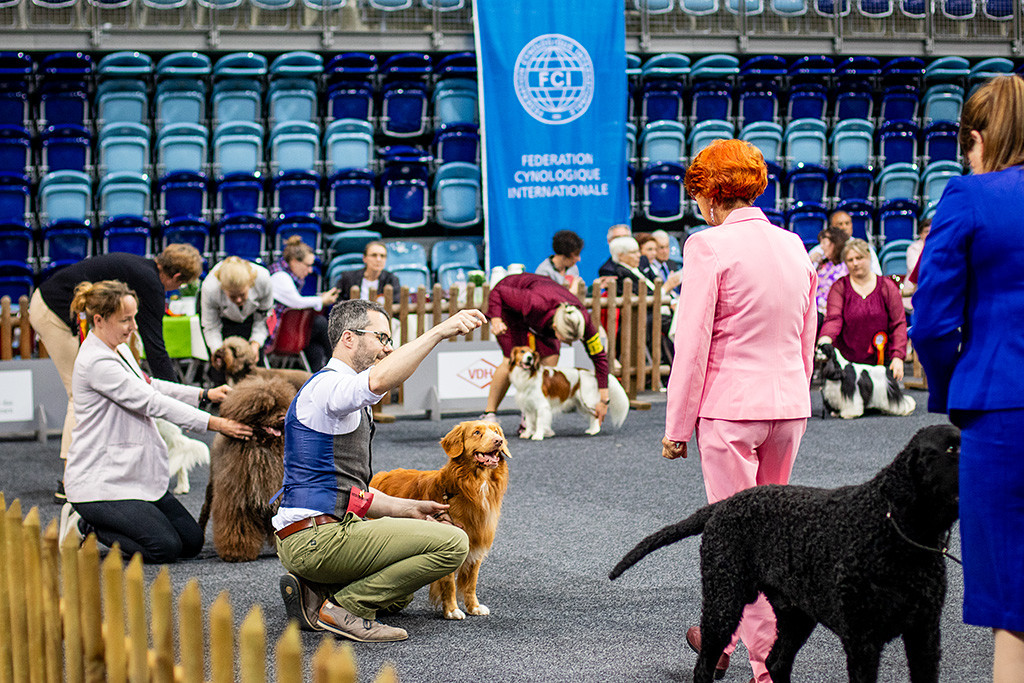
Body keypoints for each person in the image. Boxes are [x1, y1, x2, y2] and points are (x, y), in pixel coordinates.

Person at [662, 139, 816, 683]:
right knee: (769, 535)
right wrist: (796, 395)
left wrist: (677, 425)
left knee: (739, 542)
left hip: (731, 411)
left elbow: (692, 342)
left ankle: (766, 665)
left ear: (710, 194)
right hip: (788, 407)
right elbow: (807, 334)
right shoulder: (794, 244)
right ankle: (721, 639)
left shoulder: (707, 245)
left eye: (698, 194)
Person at [274, 300, 487, 642]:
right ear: (348, 338)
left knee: (399, 597)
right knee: (453, 543)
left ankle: (317, 590)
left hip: (316, 532)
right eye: (382, 338)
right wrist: (439, 331)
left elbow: (351, 492)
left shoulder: (334, 390)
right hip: (316, 539)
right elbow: (379, 380)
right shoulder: (327, 386)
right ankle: (345, 607)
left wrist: (410, 508)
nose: (388, 348)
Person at [911, 74, 1024, 683]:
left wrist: (953, 385)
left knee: (1013, 602)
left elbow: (932, 322)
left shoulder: (970, 195)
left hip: (1003, 407)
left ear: (978, 138)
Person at [57, 280, 251, 563]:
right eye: (125, 320)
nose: (133, 326)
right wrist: (215, 424)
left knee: (191, 542)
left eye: (133, 317)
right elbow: (151, 402)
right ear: (99, 320)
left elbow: (150, 385)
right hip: (99, 485)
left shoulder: (119, 348)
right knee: (164, 548)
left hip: (131, 475)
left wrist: (203, 394)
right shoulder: (96, 362)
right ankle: (86, 524)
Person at [28, 244, 204, 468]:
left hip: (53, 302)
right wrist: (180, 407)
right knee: (78, 393)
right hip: (52, 310)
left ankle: (96, 463)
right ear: (177, 277)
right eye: (179, 285)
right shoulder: (151, 283)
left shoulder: (142, 269)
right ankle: (70, 475)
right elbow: (155, 349)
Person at [481, 272, 610, 425]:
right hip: (511, 309)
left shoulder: (583, 321)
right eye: (565, 340)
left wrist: (604, 399)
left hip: (544, 314)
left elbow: (599, 357)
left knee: (551, 357)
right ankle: (490, 413)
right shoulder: (533, 302)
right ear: (555, 327)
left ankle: (531, 413)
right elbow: (498, 292)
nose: (568, 344)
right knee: (512, 359)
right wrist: (496, 319)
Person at [819, 238, 907, 381]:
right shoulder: (839, 287)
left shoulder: (887, 286)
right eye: (850, 260)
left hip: (881, 364)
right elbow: (833, 319)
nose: (855, 263)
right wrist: (825, 340)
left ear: (869, 257)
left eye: (859, 258)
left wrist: (898, 356)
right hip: (848, 366)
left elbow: (898, 323)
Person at [269, 236, 340, 371]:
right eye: (308, 265)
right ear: (295, 262)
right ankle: (337, 363)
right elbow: (296, 303)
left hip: (288, 332)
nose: (310, 270)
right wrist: (321, 300)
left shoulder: (286, 273)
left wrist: (320, 299)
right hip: (276, 335)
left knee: (315, 349)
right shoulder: (279, 276)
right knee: (320, 323)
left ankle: (321, 374)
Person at [200, 256, 274, 359]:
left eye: (242, 294)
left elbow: (263, 318)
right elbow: (211, 326)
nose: (238, 300)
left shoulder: (263, 279)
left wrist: (255, 344)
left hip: (251, 319)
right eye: (233, 296)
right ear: (223, 289)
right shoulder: (210, 288)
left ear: (250, 284)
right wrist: (220, 353)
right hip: (224, 322)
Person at [809, 210, 883, 275]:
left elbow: (877, 274)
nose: (844, 227)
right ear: (832, 227)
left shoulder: (864, 248)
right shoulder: (819, 250)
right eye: (840, 224)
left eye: (847, 223)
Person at [335, 241, 401, 303]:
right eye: (374, 255)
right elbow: (338, 303)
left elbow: (396, 303)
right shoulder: (348, 278)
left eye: (382, 256)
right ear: (364, 258)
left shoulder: (392, 280)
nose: (378, 259)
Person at [813, 225, 850, 332]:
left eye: (824, 243)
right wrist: (810, 261)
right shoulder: (823, 264)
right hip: (814, 313)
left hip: (830, 316)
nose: (821, 247)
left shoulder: (845, 267)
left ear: (835, 243)